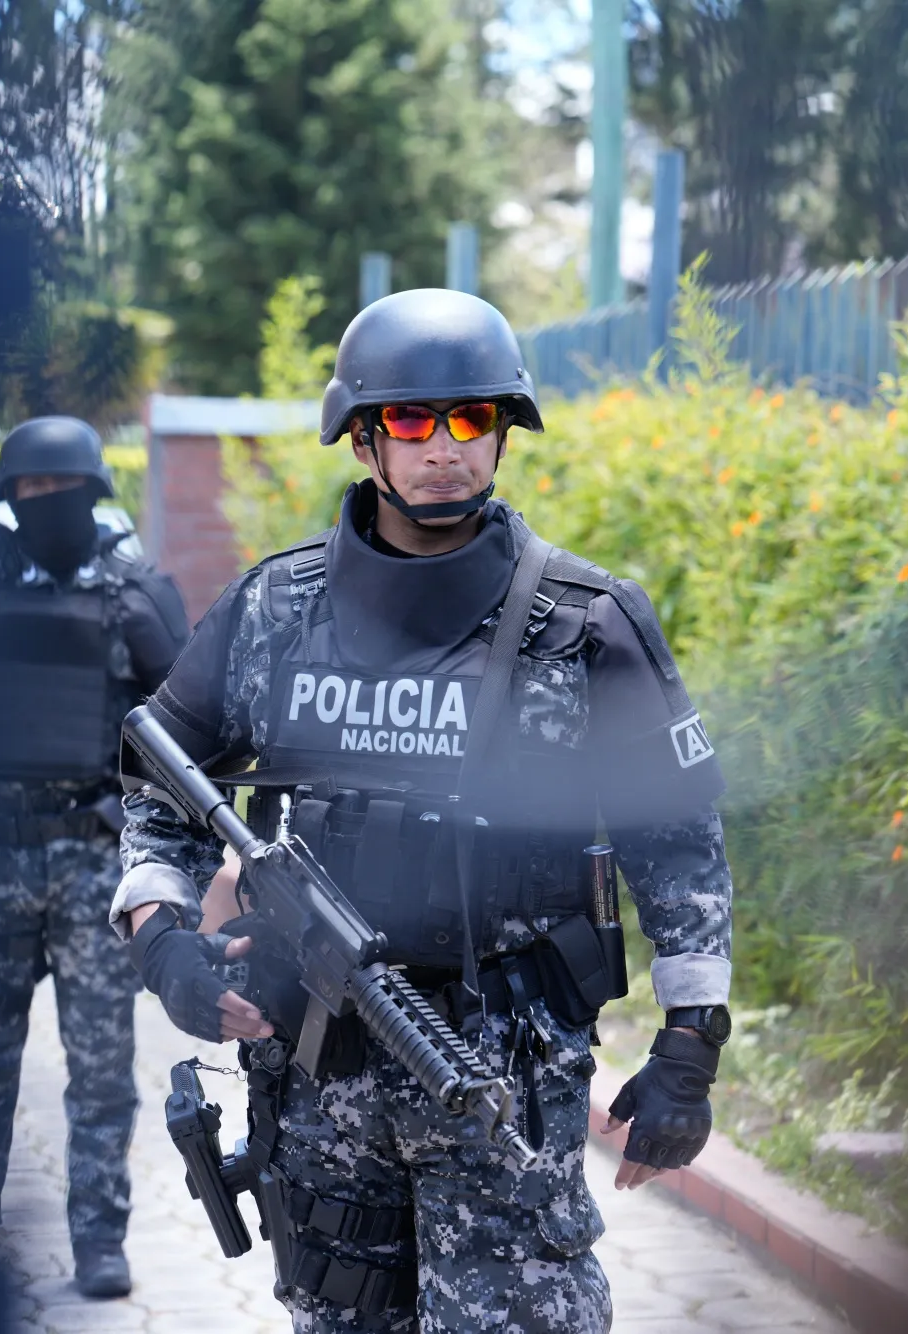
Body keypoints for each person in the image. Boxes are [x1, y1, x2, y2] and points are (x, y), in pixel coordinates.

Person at [112, 289, 734, 1330]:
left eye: (471, 419)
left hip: (501, 1070)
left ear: (501, 434)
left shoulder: (585, 624)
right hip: (321, 1076)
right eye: (411, 420)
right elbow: (154, 785)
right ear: (361, 437)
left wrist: (690, 1039)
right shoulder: (276, 612)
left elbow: (677, 847)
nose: (444, 446)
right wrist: (161, 937)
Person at [0, 416, 189, 1300]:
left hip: (93, 864)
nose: (46, 505)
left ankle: (97, 1237)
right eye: (30, 492)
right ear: (10, 500)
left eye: (61, 492)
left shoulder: (136, 593)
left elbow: (186, 736)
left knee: (99, 1068)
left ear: (93, 494)